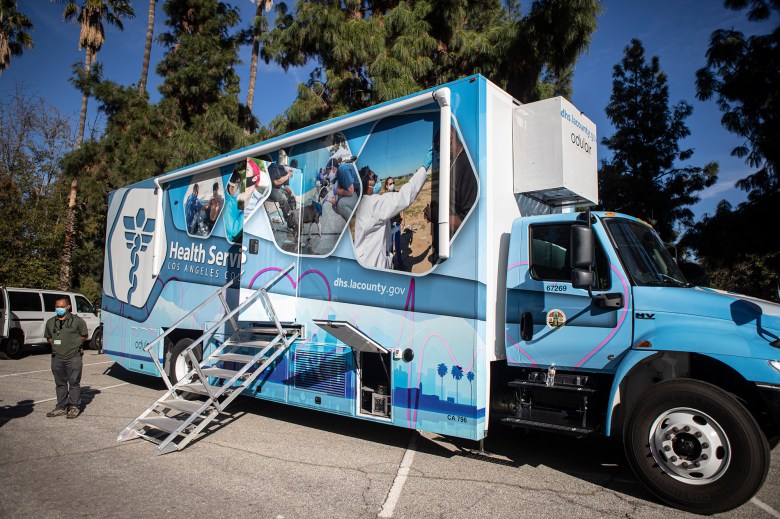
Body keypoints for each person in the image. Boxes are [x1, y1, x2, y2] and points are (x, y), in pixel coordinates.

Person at [353, 152, 431, 269]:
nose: (377, 179)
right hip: (374, 264)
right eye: (374, 177)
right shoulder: (374, 203)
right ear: (367, 183)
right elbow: (404, 197)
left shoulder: (363, 203)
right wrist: (424, 168)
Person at [44, 297, 88, 419]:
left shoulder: (77, 321)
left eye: (62, 307)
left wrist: (74, 345)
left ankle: (74, 406)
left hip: (73, 357)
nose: (59, 309)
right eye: (57, 307)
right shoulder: (51, 322)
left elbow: (84, 336)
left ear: (68, 307)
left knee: (74, 382)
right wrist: (57, 346)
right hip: (57, 357)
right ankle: (61, 407)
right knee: (60, 383)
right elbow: (49, 337)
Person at [268, 157, 297, 229]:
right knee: (283, 198)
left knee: (291, 197)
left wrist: (292, 193)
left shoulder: (286, 172)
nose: (291, 170)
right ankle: (289, 221)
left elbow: (286, 186)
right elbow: (276, 182)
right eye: (291, 168)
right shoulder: (274, 167)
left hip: (277, 189)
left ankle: (294, 218)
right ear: (289, 166)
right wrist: (287, 176)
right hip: (269, 188)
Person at [384, 177, 405, 269]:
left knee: (398, 243)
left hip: (397, 223)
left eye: (393, 183)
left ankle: (399, 263)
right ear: (387, 186)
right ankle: (391, 264)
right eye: (390, 184)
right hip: (389, 224)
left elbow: (401, 207)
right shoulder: (384, 197)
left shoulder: (397, 193)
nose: (392, 185)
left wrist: (403, 218)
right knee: (390, 245)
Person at [223, 170, 243, 243]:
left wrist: (241, 212)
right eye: (238, 185)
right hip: (226, 241)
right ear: (231, 186)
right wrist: (243, 216)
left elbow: (234, 213)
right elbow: (233, 231)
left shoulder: (232, 199)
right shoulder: (228, 203)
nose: (239, 188)